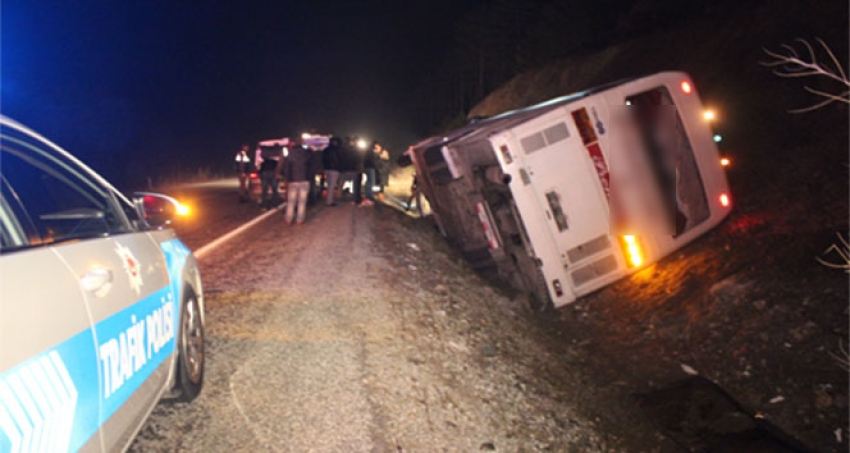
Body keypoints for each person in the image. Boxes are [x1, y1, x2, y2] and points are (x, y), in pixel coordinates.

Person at [282, 138, 312, 225]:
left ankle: (288, 219)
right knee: (302, 201)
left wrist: (288, 178)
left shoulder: (290, 154)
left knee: (291, 201)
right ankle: (300, 219)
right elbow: (312, 166)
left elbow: (286, 168)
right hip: (304, 179)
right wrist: (309, 177)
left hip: (293, 180)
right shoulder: (307, 154)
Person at [256, 142, 283, 210]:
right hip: (272, 173)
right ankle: (275, 205)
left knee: (264, 190)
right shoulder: (275, 160)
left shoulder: (264, 161)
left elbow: (259, 168)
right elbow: (279, 167)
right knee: (274, 190)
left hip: (264, 173)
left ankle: (264, 205)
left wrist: (260, 174)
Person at [322, 137, 343, 206]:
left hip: (327, 169)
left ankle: (328, 200)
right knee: (332, 186)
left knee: (329, 186)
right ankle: (329, 201)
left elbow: (323, 160)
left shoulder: (326, 150)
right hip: (334, 169)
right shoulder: (338, 150)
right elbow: (340, 160)